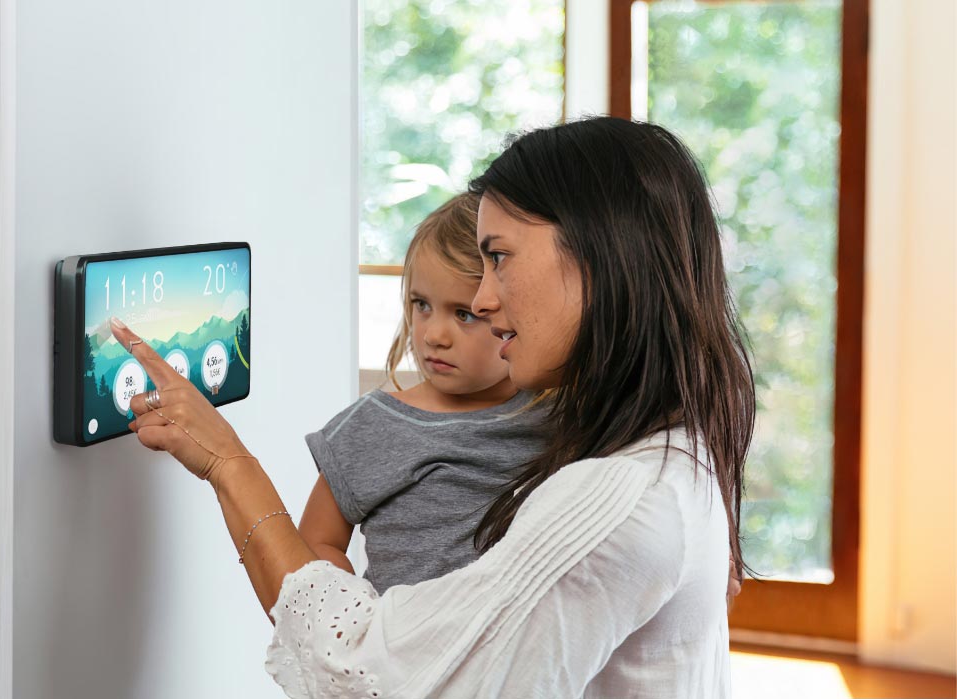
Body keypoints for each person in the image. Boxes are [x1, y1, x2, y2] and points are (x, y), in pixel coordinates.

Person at [110, 115, 754, 698]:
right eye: (425, 303)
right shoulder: (668, 441)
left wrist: (230, 464)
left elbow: (361, 672)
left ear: (600, 251)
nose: (486, 299)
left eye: (499, 258)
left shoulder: (618, 503)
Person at [296, 192, 547, 593]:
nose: (433, 335)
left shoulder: (559, 412)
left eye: (464, 314)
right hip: (400, 649)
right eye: (421, 305)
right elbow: (314, 543)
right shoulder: (371, 426)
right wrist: (360, 624)